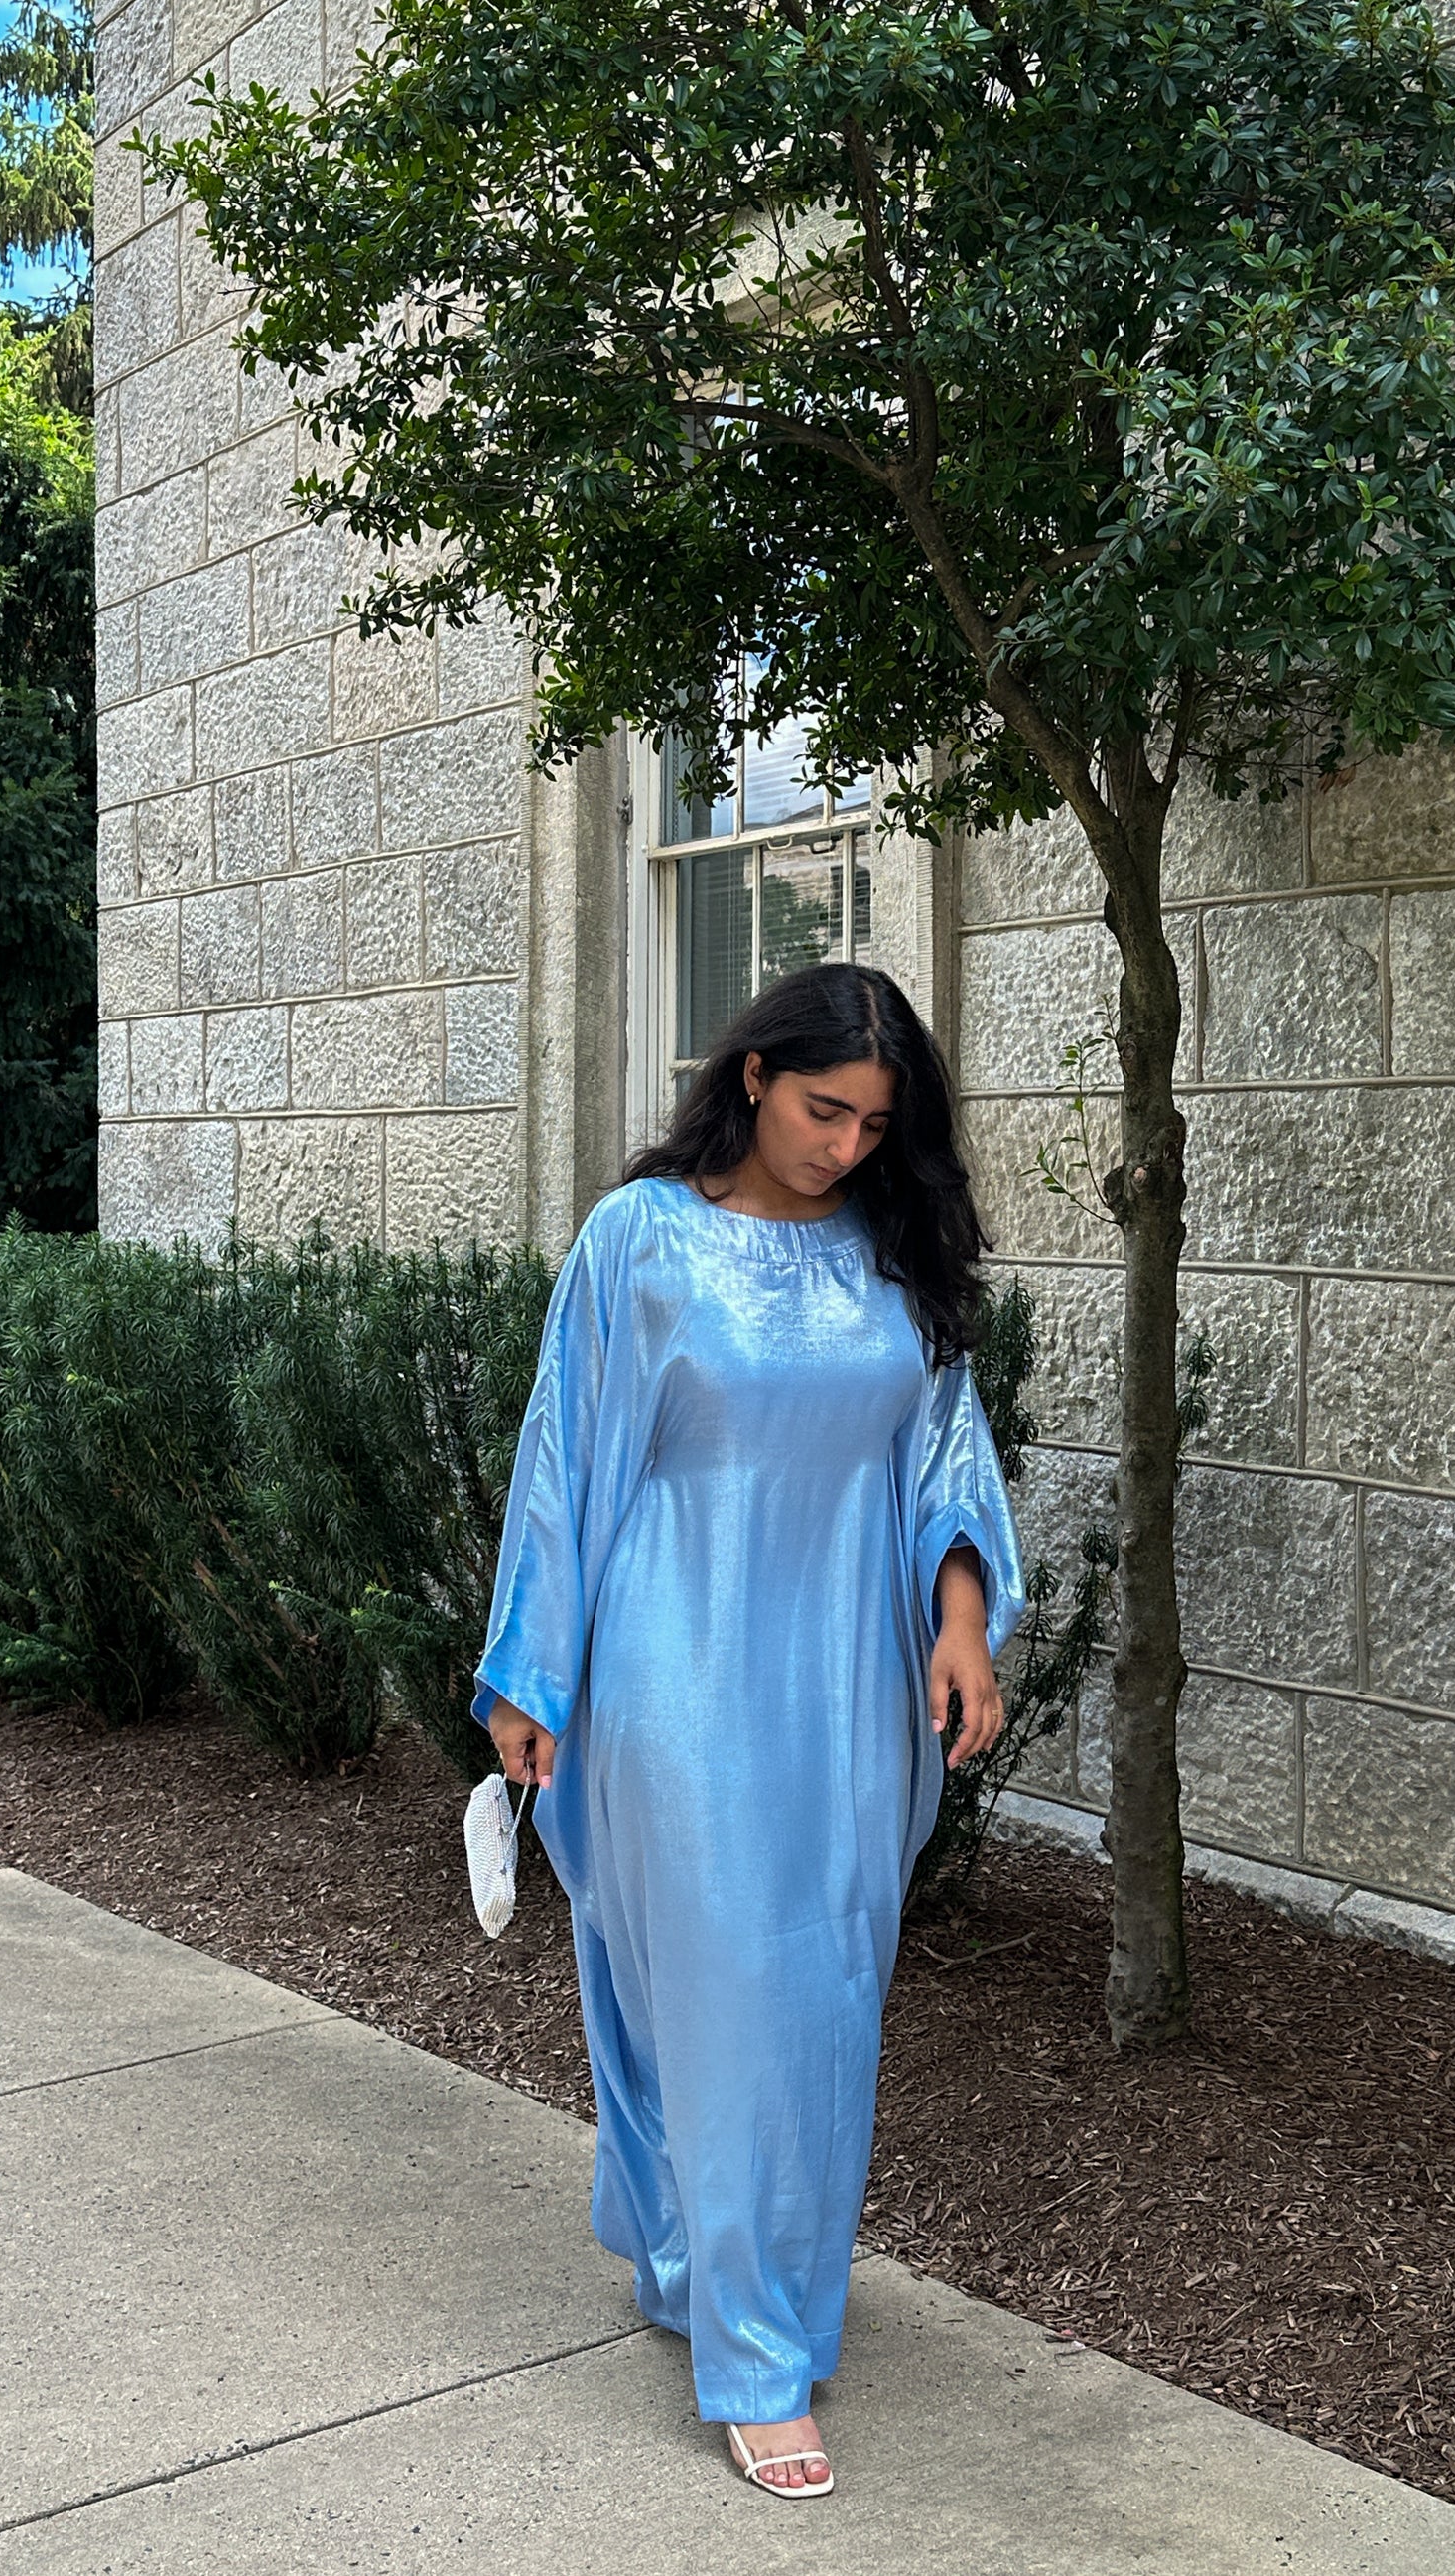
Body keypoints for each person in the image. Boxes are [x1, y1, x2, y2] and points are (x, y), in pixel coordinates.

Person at [473, 959, 1025, 2499]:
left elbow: (945, 1463)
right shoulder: (636, 1244)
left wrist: (963, 1623)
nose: (844, 1146)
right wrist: (532, 1672)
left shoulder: (892, 1257)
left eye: (872, 1122)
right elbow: (565, 1461)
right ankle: (760, 2355)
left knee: (819, 2004)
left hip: (849, 1686)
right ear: (751, 1078)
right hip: (673, 1670)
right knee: (720, 1991)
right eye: (820, 1108)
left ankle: (691, 2256)